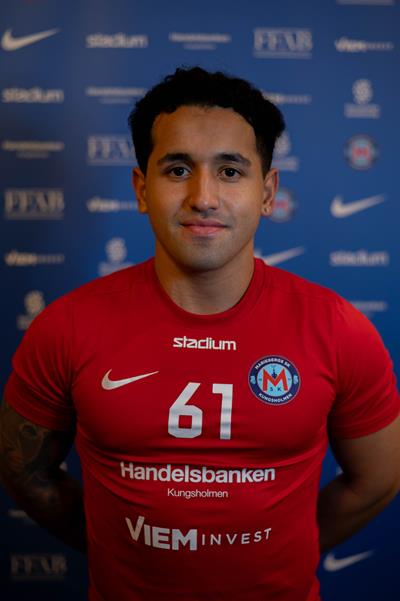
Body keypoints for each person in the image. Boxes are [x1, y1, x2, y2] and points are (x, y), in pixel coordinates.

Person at [1, 66, 399, 601]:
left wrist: (287, 549)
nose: (203, 197)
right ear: (142, 189)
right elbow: (26, 473)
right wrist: (114, 546)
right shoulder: (67, 325)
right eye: (178, 169)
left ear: (267, 192)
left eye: (230, 171)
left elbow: (376, 481)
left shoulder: (338, 329)